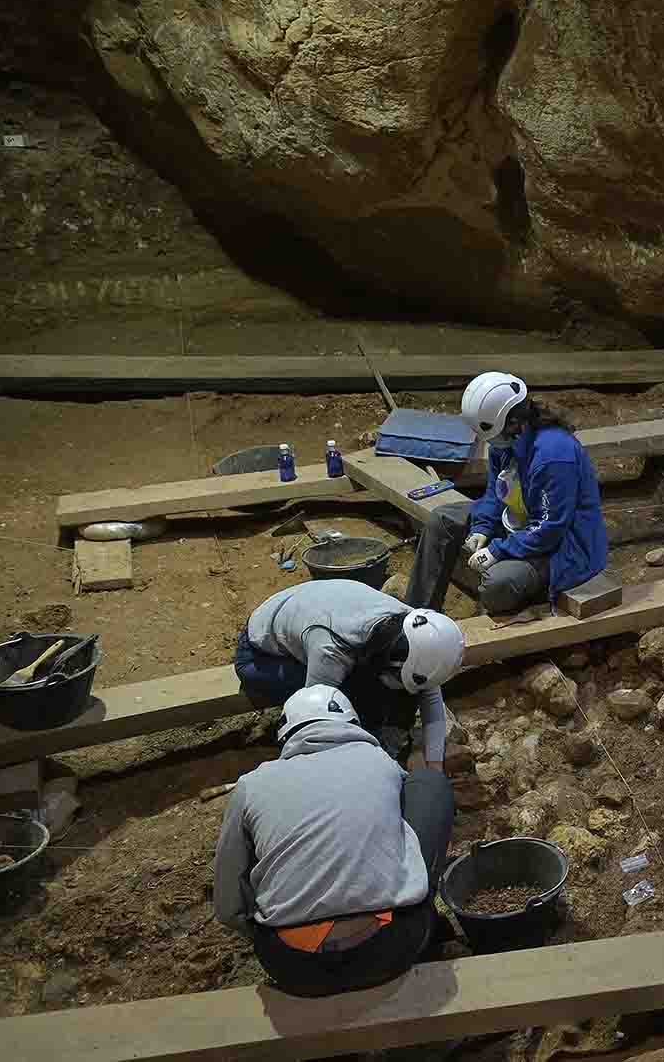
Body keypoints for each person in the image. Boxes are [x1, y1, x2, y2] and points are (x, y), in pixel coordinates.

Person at [214, 686, 456, 996]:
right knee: (428, 784)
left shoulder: (251, 785)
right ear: (351, 725)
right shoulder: (377, 760)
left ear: (286, 735)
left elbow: (227, 907)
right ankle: (422, 916)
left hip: (293, 968)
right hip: (390, 949)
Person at [406, 370, 609, 617]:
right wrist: (481, 527)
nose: (489, 443)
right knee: (442, 520)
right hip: (521, 521)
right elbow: (495, 492)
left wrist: (498, 550)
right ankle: (416, 617)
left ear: (514, 423)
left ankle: (526, 605)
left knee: (497, 584)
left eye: (492, 435)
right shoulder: (504, 442)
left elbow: (551, 527)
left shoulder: (554, 455)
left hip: (563, 546)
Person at [232, 577, 465, 769]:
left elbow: (430, 695)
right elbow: (315, 722)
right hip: (259, 656)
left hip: (309, 611)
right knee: (353, 695)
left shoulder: (415, 629)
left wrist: (435, 767)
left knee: (385, 690)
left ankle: (387, 739)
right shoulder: (330, 649)